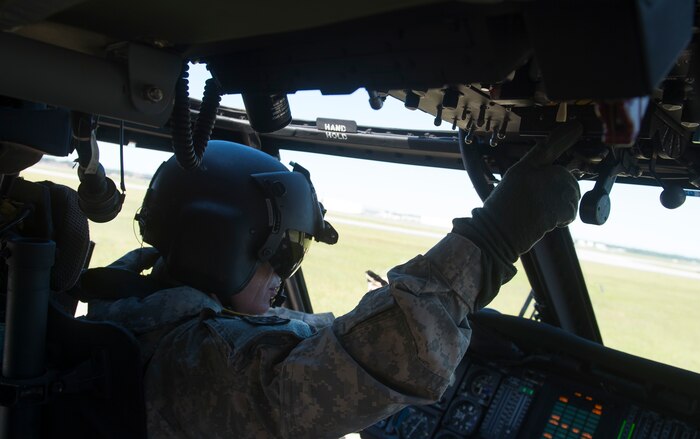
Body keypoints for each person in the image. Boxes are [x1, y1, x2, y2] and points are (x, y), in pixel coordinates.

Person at [84, 122, 582, 439]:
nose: (285, 275)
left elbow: (290, 334)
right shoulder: (190, 363)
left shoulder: (144, 312)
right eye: (283, 252)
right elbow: (375, 363)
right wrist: (494, 238)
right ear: (217, 244)